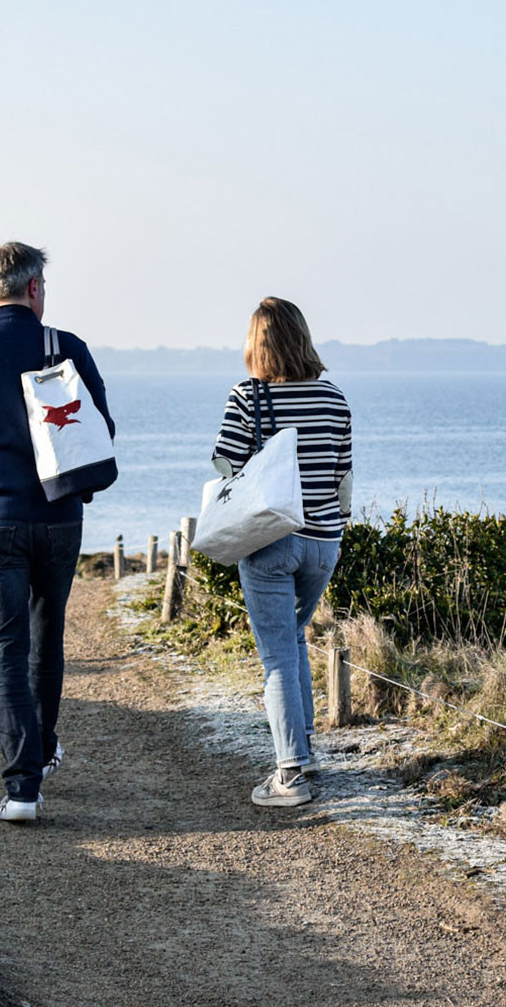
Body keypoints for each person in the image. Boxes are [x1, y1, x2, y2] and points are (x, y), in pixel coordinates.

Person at [0, 242, 115, 823]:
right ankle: (45, 746)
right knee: (46, 633)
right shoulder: (67, 347)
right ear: (34, 288)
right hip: (59, 519)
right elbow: (101, 430)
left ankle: (23, 789)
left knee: (6, 648)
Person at [211, 297, 353, 807]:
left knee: (275, 656)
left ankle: (289, 776)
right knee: (293, 639)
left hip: (272, 540)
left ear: (256, 343)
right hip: (324, 543)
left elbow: (225, 464)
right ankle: (305, 749)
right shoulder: (335, 399)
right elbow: (343, 481)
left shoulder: (248, 397)